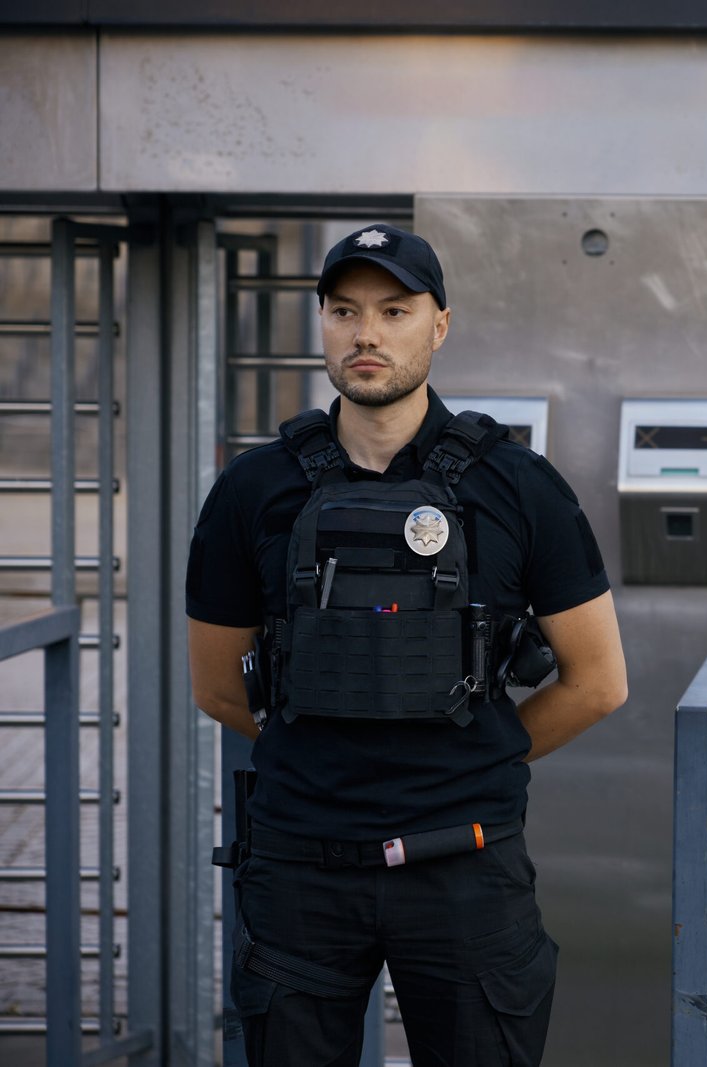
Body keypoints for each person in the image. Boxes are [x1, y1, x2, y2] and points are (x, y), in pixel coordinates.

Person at [186, 223, 628, 1066]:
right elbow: (215, 686)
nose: (367, 334)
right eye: (345, 311)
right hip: (298, 872)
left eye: (394, 310)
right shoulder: (253, 489)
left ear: (439, 325)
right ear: (320, 322)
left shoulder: (519, 486)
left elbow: (600, 681)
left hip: (465, 869)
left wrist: (476, 762)